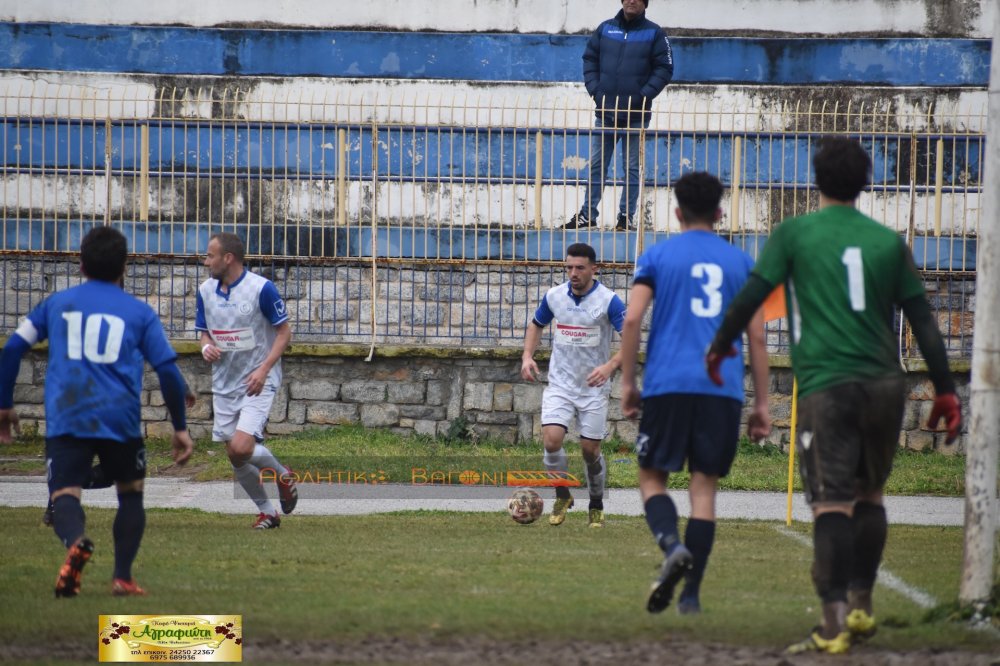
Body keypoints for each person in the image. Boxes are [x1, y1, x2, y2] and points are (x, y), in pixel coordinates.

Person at [706, 137, 962, 654]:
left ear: (815, 180)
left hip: (828, 385)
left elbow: (751, 299)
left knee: (830, 503)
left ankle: (832, 624)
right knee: (870, 496)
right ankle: (863, 605)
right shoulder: (888, 242)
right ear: (866, 182)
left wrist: (718, 348)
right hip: (886, 384)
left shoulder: (795, 234)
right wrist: (946, 390)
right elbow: (924, 323)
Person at [0, 226, 194, 597]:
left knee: (64, 495)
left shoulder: (56, 304)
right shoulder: (139, 313)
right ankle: (122, 576)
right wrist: (180, 428)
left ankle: (75, 541)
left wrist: (5, 405)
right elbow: (167, 370)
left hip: (67, 416)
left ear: (80, 264)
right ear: (124, 267)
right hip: (119, 418)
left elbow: (11, 349)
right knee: (131, 494)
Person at [618, 172, 771, 615]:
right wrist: (761, 404)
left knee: (651, 478)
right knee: (704, 492)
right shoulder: (742, 263)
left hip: (667, 384)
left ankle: (670, 547)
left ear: (677, 212)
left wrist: (629, 384)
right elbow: (757, 338)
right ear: (720, 213)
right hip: (721, 390)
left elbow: (631, 320)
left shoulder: (658, 256)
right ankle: (691, 596)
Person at [196, 232, 298, 530]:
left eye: (210, 255)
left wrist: (264, 369)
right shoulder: (205, 290)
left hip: (258, 379)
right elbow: (203, 331)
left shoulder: (261, 289)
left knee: (241, 447)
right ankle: (267, 512)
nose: (206, 261)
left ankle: (282, 474)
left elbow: (284, 333)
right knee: (235, 456)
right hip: (225, 382)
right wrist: (205, 347)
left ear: (228, 258)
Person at [521, 243, 625, 528]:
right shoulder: (554, 296)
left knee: (590, 452)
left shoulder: (609, 301)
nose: (573, 273)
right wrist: (527, 356)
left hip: (593, 389)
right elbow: (536, 324)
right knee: (551, 441)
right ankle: (562, 495)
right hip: (560, 386)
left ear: (594, 268)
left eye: (580, 267)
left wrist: (609, 366)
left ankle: (596, 503)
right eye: (569, 267)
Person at [563, 0, 673, 231]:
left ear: (645, 4)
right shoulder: (605, 29)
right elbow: (589, 59)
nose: (632, 1)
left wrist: (641, 97)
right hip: (606, 113)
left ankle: (626, 218)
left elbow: (664, 69)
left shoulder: (655, 33)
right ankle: (587, 216)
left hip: (637, 115)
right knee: (596, 165)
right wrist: (596, 91)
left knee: (632, 169)